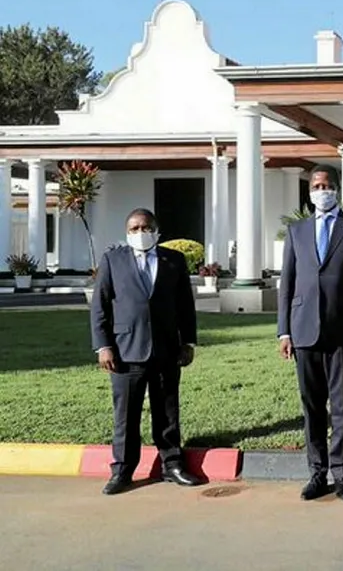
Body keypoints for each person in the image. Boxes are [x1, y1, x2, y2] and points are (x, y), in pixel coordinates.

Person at [278, 164, 343, 501]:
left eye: (327, 185)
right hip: (303, 329)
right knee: (312, 405)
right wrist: (283, 332)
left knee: (342, 404)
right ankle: (317, 471)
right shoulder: (296, 232)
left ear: (337, 188)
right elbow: (287, 283)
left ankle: (342, 470)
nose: (322, 190)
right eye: (317, 185)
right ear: (309, 191)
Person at [90, 208, 202, 495]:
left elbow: (185, 306)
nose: (141, 233)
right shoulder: (113, 260)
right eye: (135, 228)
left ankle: (172, 464)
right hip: (126, 351)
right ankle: (123, 470)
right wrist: (104, 346)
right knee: (126, 415)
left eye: (146, 227)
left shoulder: (173, 260)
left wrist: (188, 341)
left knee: (167, 411)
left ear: (156, 230)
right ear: (127, 232)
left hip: (166, 349)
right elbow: (100, 307)